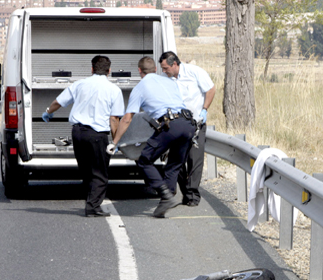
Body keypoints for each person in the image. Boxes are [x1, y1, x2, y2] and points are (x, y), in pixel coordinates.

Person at [110, 56, 195, 218]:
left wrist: (115, 142)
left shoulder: (140, 87)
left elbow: (127, 118)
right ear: (156, 69)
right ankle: (167, 199)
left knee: (144, 160)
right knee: (174, 164)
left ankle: (165, 194)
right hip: (188, 123)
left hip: (171, 125)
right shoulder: (170, 81)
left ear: (139, 71)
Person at [42, 55, 124, 217]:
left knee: (86, 170)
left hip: (78, 133)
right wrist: (115, 141)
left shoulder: (79, 85)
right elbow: (114, 119)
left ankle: (90, 200)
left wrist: (48, 112)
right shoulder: (114, 90)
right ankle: (93, 206)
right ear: (109, 71)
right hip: (97, 135)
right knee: (100, 173)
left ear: (92, 69)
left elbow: (58, 102)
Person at [159, 51, 216, 207]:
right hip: (176, 125)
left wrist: (204, 109)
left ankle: (192, 195)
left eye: (165, 68)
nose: (164, 71)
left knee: (194, 160)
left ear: (174, 64)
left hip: (196, 123)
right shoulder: (165, 79)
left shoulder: (194, 72)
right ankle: (185, 191)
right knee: (177, 160)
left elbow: (210, 90)